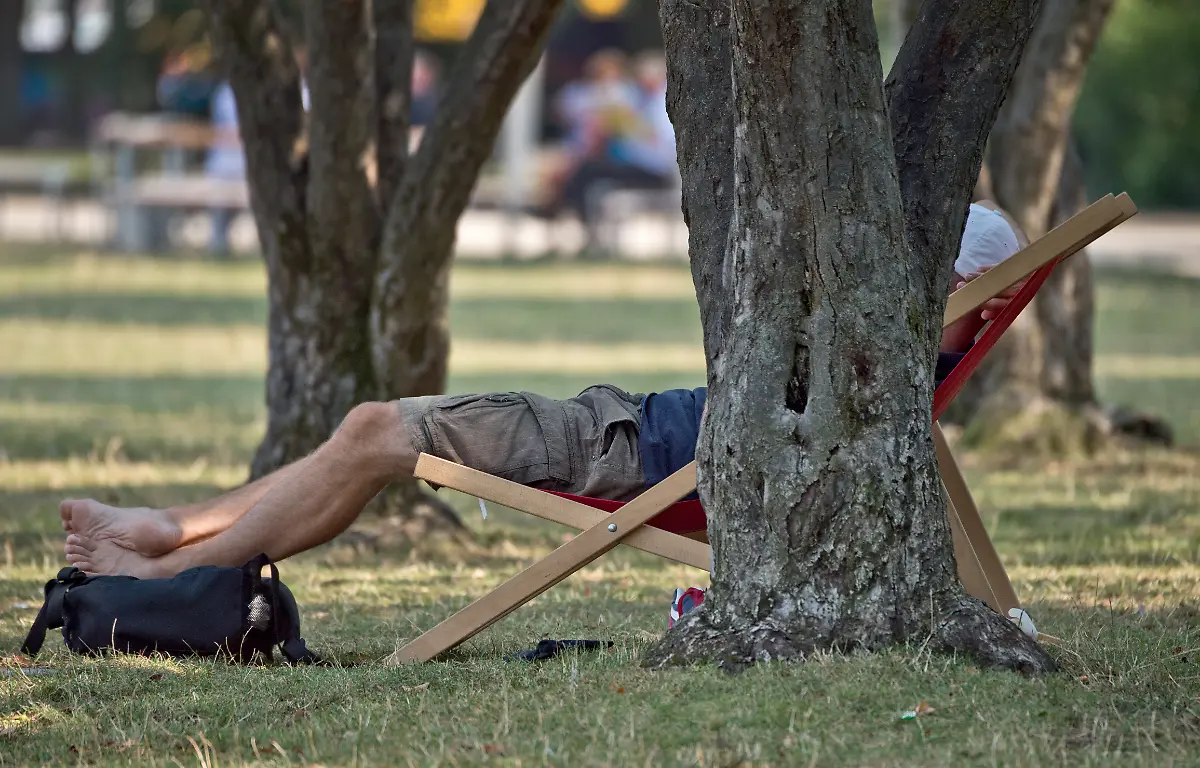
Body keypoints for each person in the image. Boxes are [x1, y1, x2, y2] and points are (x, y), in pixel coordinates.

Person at [59, 204, 1024, 583]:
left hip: (625, 452)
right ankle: (172, 528)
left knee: (377, 430)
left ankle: (168, 565)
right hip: (629, 431)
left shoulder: (886, 375)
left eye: (925, 280)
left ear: (962, 300)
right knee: (371, 433)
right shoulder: (896, 373)